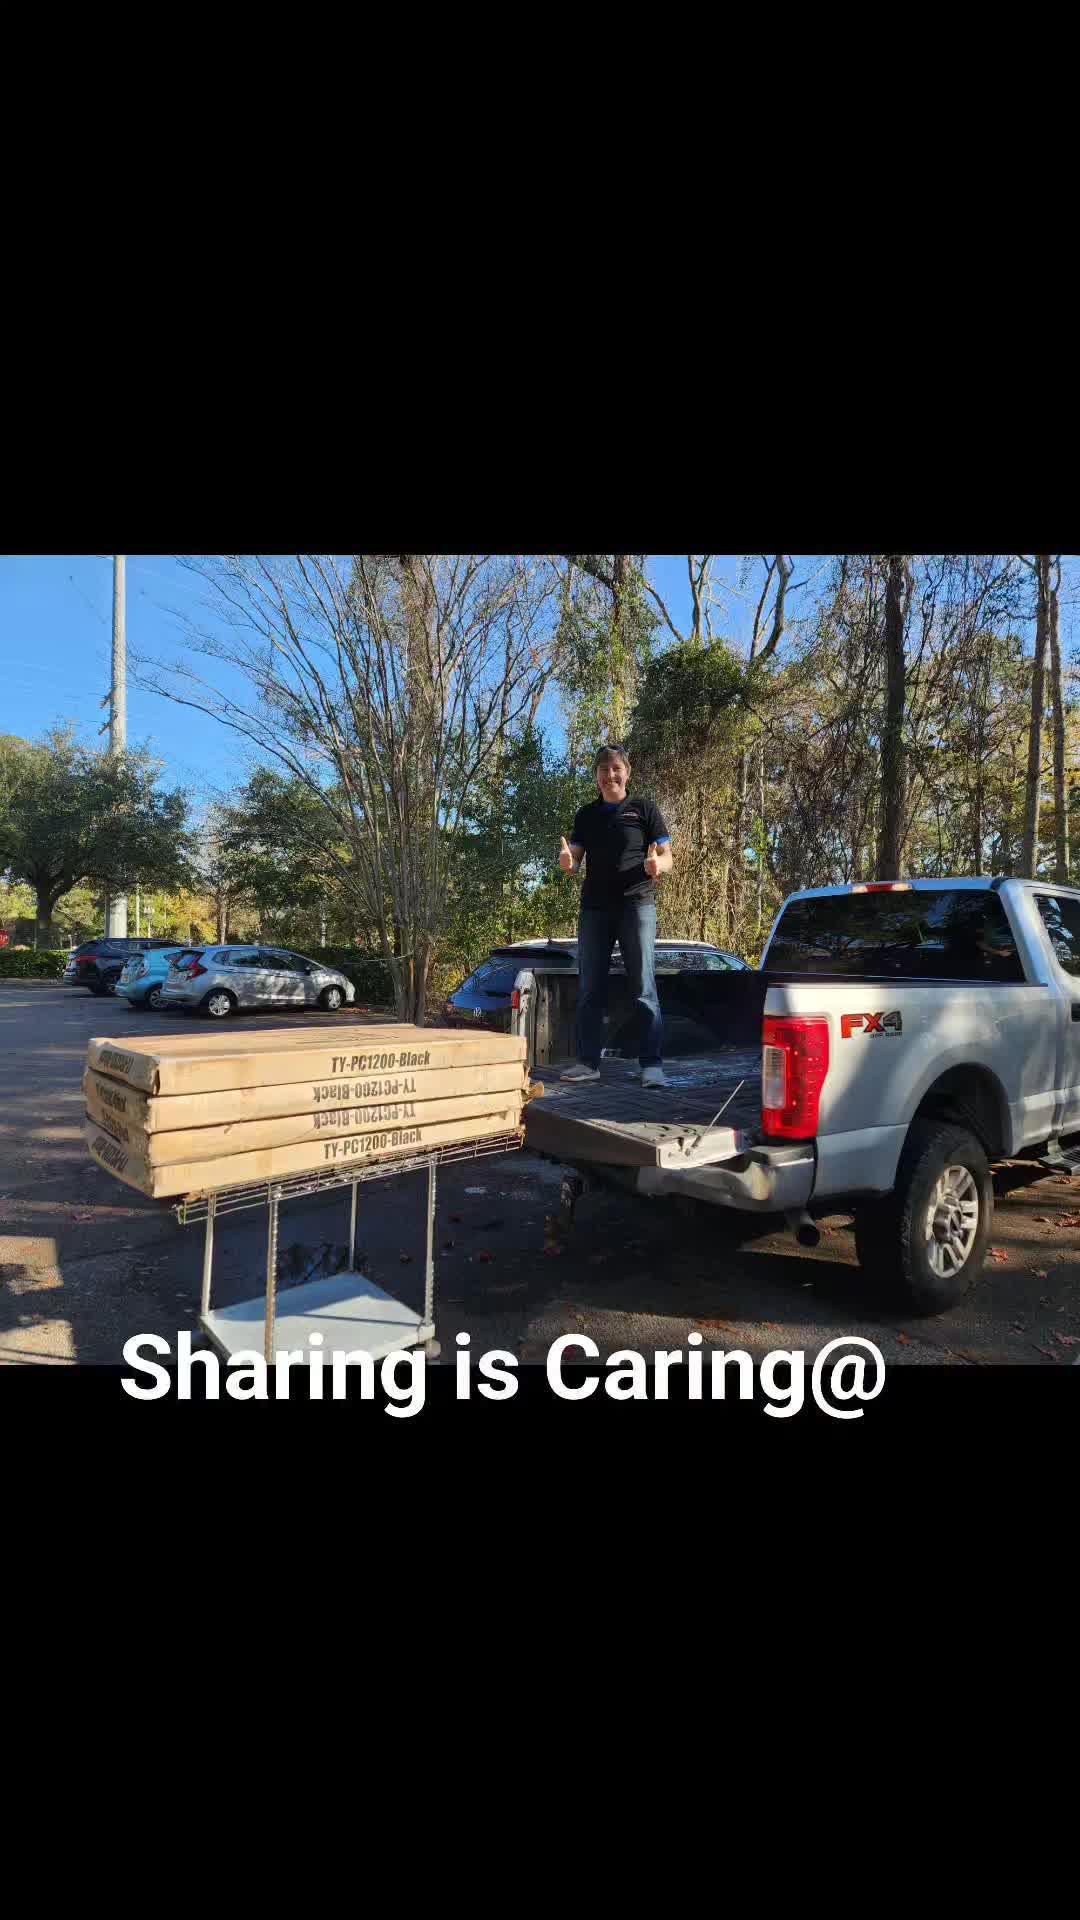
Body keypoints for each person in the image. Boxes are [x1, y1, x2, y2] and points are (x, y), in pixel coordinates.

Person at [557, 744, 673, 1088]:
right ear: (596, 777)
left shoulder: (644, 810)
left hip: (637, 905)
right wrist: (568, 863)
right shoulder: (586, 815)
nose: (610, 775)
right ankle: (588, 1063)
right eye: (604, 770)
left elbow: (668, 856)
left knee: (643, 987)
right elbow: (574, 860)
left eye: (616, 768)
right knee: (591, 987)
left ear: (628, 772)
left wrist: (657, 866)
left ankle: (651, 1065)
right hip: (594, 909)